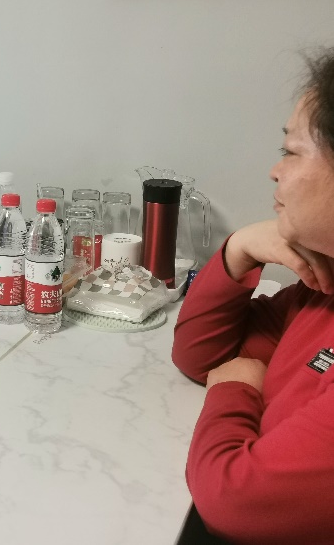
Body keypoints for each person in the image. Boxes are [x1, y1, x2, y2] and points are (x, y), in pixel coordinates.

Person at [172, 49, 334, 544]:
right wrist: (238, 250)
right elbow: (204, 355)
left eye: (292, 151)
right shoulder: (323, 293)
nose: (275, 171)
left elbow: (235, 500)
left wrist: (235, 389)